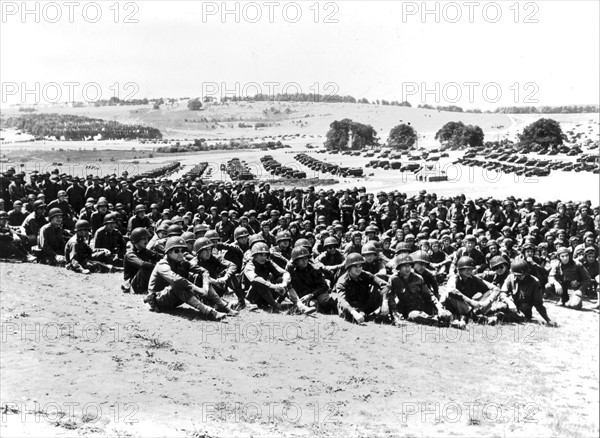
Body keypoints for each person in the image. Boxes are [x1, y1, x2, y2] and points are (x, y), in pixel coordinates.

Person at [143, 236, 237, 320]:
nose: (180, 254)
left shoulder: (182, 262)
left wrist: (205, 288)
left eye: (182, 251)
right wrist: (198, 289)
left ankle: (223, 306)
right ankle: (209, 312)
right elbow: (176, 280)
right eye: (176, 251)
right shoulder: (162, 265)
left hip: (172, 298)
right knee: (180, 284)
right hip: (157, 302)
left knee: (197, 277)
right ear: (168, 252)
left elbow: (203, 271)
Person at [389, 255, 452, 326]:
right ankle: (442, 322)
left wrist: (440, 308)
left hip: (421, 306)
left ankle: (443, 318)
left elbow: (430, 295)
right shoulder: (394, 279)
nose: (408, 268)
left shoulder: (418, 278)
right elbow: (391, 299)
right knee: (415, 316)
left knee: (442, 313)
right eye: (404, 266)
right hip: (405, 309)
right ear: (399, 267)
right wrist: (396, 317)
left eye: (409, 266)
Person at [443, 256, 501, 329]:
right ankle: (475, 317)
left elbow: (496, 289)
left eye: (471, 269)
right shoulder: (454, 278)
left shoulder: (474, 279)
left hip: (469, 306)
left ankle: (475, 314)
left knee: (489, 292)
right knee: (452, 295)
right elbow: (451, 290)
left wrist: (487, 302)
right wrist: (470, 301)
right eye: (466, 269)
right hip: (454, 305)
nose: (469, 271)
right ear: (459, 270)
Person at [335, 253, 391, 325]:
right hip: (350, 307)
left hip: (364, 305)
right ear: (349, 267)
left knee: (379, 291)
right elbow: (342, 300)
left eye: (360, 266)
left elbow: (386, 285)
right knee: (351, 315)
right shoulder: (342, 281)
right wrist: (353, 312)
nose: (358, 269)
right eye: (355, 266)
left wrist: (384, 301)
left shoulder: (366, 275)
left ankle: (387, 315)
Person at [501, 259, 556, 325]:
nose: (520, 277)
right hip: (509, 307)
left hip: (524, 312)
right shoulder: (510, 278)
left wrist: (547, 319)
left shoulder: (534, 282)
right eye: (517, 275)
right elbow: (502, 293)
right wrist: (509, 302)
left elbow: (538, 304)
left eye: (522, 274)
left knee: (504, 317)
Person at [287, 246, 335, 313]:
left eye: (306, 258)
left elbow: (324, 286)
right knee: (314, 304)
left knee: (325, 301)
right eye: (301, 259)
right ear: (296, 261)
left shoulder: (314, 269)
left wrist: (312, 295)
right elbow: (289, 287)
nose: (304, 261)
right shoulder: (292, 271)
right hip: (303, 295)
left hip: (316, 292)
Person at [123, 227, 161, 293]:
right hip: (132, 284)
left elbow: (159, 257)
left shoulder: (144, 251)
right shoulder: (130, 254)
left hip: (142, 281)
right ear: (136, 240)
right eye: (144, 239)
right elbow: (142, 264)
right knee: (146, 267)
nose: (147, 241)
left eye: (147, 238)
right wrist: (157, 268)